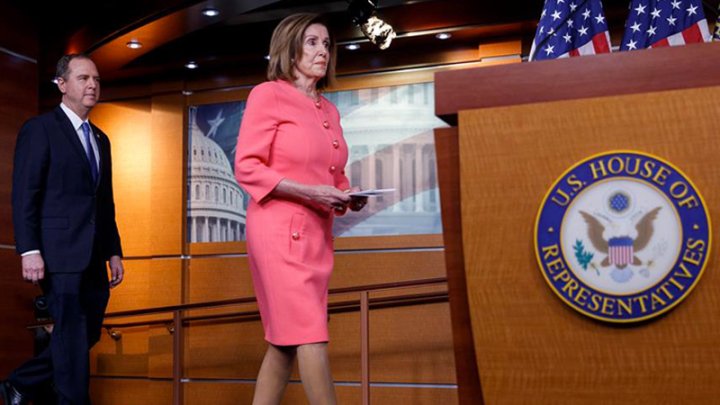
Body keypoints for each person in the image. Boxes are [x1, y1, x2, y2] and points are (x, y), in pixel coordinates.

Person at [234, 12, 367, 405]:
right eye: (312, 42)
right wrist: (314, 192)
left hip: (315, 236)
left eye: (326, 44)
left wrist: (346, 193)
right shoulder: (268, 94)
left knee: (284, 343)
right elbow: (247, 166)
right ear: (289, 48)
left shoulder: (329, 110)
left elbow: (333, 174)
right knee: (310, 333)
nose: (322, 51)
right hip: (278, 233)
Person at [1, 54, 124, 405]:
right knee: (70, 332)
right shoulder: (40, 129)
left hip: (94, 254)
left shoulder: (100, 139)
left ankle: (21, 382)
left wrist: (113, 250)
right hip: (57, 252)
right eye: (84, 78)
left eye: (96, 79)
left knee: (84, 333)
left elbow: (105, 202)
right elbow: (25, 194)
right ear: (62, 84)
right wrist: (29, 249)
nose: (92, 85)